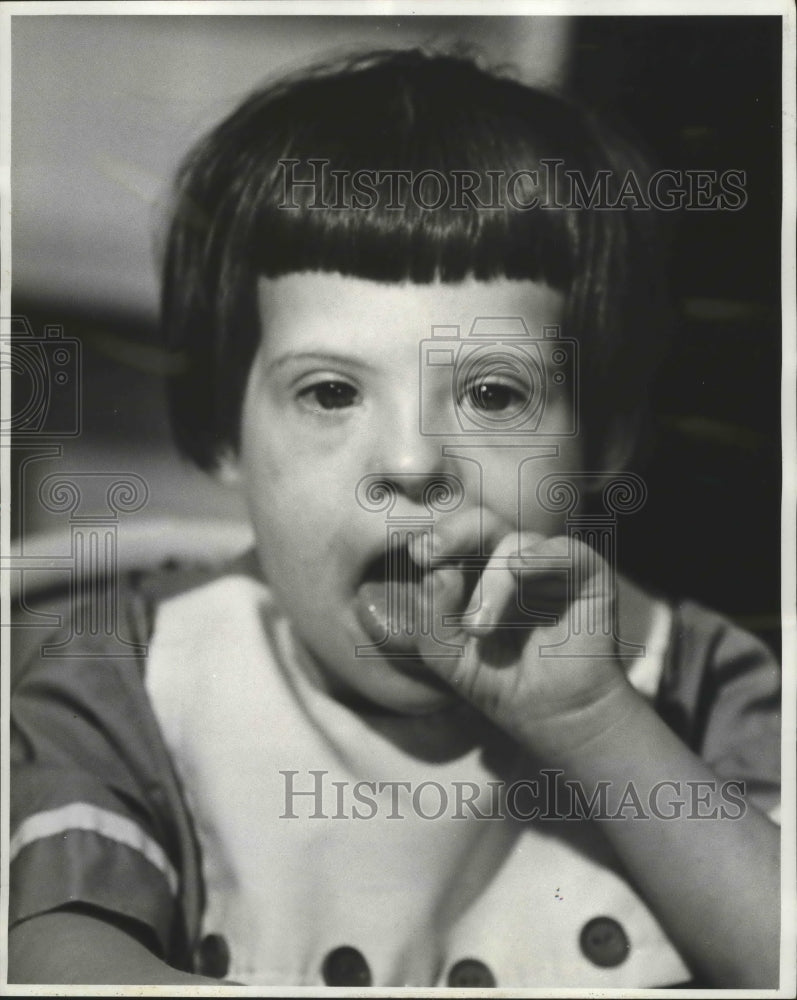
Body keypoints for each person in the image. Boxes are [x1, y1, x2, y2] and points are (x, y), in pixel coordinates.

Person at [8, 49, 781, 988]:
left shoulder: (698, 686)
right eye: (331, 392)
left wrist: (592, 721)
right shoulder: (126, 674)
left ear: (604, 441)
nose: (412, 465)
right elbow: (56, 965)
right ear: (224, 436)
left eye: (493, 396)